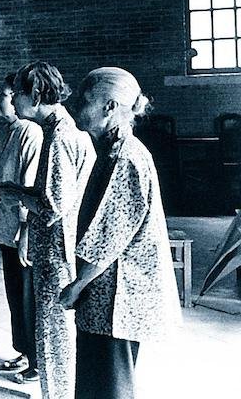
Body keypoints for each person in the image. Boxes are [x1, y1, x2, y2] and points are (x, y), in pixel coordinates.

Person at [60, 67, 181, 399]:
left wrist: (77, 285)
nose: (75, 108)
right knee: (96, 383)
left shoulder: (126, 158)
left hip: (118, 298)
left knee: (109, 386)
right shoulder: (110, 151)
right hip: (106, 295)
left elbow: (109, 239)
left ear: (109, 108)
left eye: (84, 101)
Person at [0, 61, 94, 399]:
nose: (13, 101)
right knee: (53, 334)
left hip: (58, 253)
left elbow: (53, 207)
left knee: (53, 338)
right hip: (57, 251)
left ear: (36, 94)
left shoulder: (60, 136)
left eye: (18, 93)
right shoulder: (61, 130)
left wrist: (16, 194)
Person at [0, 74, 43, 383]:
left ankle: (36, 361)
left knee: (26, 295)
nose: (0, 101)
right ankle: (24, 351)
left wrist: (25, 232)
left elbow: (30, 185)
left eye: (6, 95)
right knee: (14, 294)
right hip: (6, 230)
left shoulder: (30, 133)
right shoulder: (8, 132)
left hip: (21, 231)